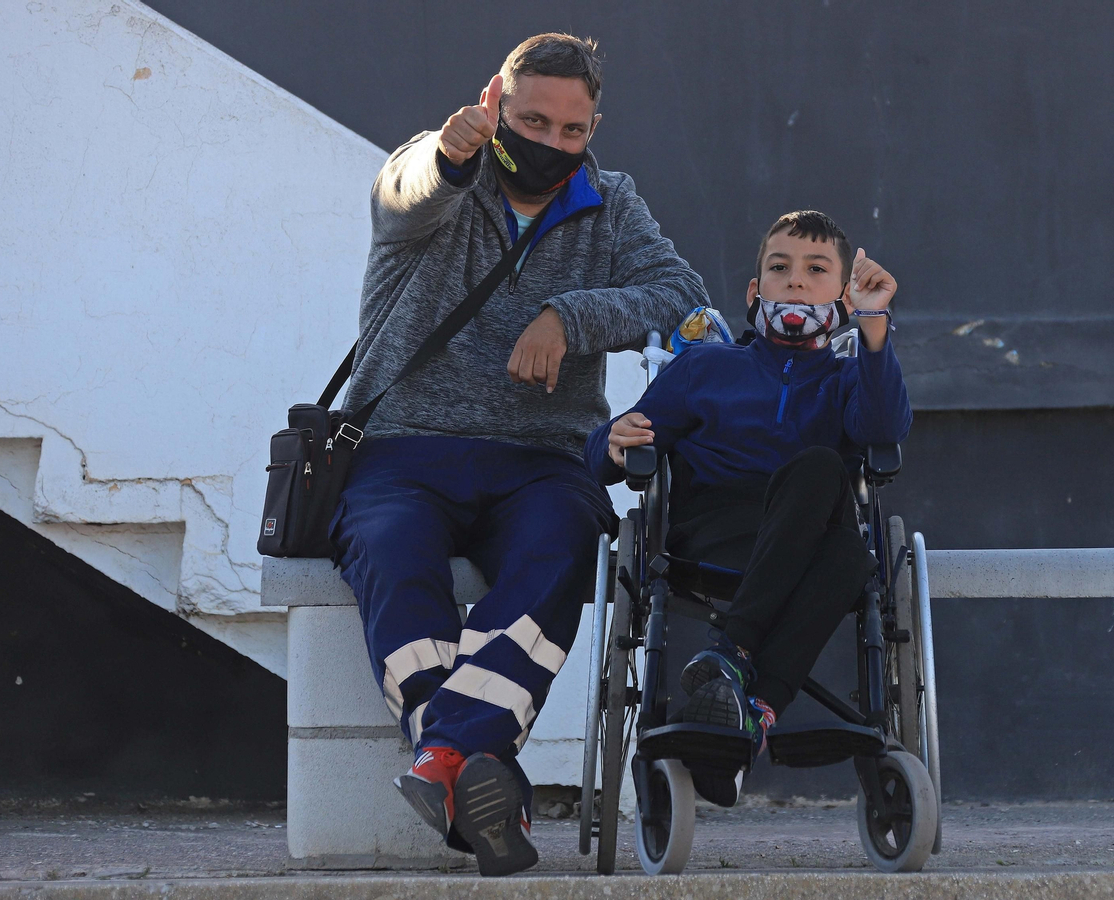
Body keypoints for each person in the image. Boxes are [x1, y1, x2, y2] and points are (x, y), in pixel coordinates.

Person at [333, 33, 706, 876]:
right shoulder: (432, 172)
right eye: (531, 119)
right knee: (392, 553)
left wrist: (570, 317)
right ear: (494, 101)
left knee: (563, 542)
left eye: (571, 131)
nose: (549, 143)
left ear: (593, 127)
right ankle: (479, 766)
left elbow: (683, 299)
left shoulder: (613, 202)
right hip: (405, 446)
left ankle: (444, 760)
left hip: (541, 454)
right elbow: (408, 193)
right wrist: (449, 152)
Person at [585, 210, 912, 806]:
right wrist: (610, 440)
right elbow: (614, 453)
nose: (795, 281)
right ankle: (746, 687)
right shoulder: (704, 367)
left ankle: (737, 685)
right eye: (779, 268)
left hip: (811, 529)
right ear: (753, 292)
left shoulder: (846, 379)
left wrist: (874, 330)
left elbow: (886, 429)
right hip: (715, 533)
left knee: (832, 507)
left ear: (842, 294)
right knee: (844, 550)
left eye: (816, 270)